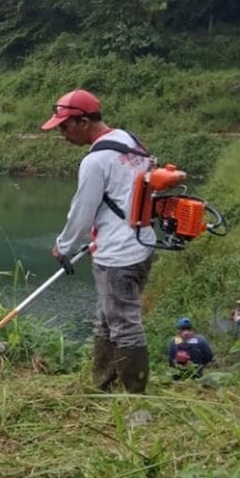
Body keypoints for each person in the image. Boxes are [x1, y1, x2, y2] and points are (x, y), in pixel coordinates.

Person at [44, 89, 157, 394]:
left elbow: (81, 212)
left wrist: (63, 246)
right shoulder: (129, 140)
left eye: (64, 127)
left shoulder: (95, 161)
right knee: (107, 317)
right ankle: (102, 383)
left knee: (124, 323)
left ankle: (135, 394)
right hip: (143, 243)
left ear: (82, 121)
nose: (62, 134)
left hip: (118, 254)